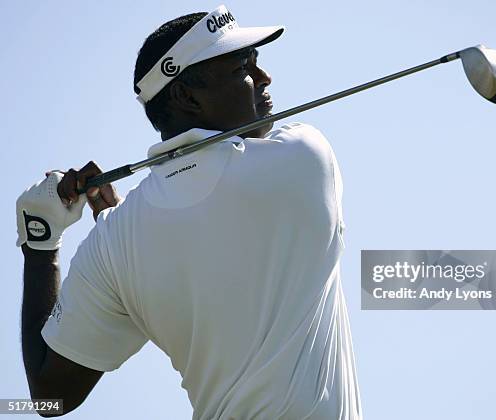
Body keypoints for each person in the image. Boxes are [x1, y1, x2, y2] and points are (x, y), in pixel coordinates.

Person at [16, 5, 362, 419]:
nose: (264, 78)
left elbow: (49, 396)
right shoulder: (303, 155)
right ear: (185, 96)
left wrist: (41, 243)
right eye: (242, 67)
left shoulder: (115, 242)